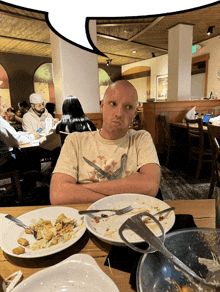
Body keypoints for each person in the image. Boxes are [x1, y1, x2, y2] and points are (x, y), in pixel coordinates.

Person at [50, 80, 161, 205]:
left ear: (134, 114)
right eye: (113, 103)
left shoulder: (141, 138)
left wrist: (80, 189)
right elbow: (58, 195)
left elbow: (150, 186)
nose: (119, 113)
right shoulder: (75, 141)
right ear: (102, 106)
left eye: (128, 107)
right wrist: (124, 194)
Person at [0, 96, 40, 173]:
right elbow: (16, 140)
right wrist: (32, 137)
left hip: (4, 158)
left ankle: (23, 180)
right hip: (5, 161)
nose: (5, 109)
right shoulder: (1, 123)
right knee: (32, 156)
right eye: (3, 106)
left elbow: (13, 135)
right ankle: (28, 182)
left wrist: (27, 133)